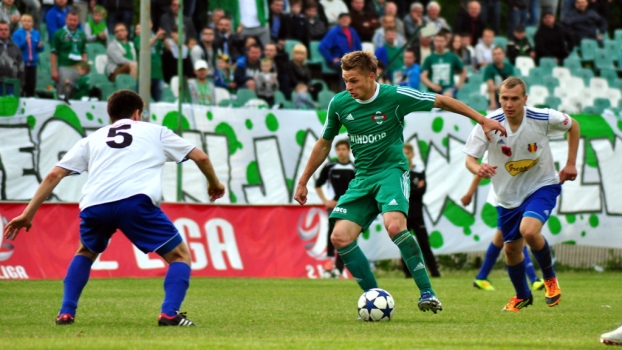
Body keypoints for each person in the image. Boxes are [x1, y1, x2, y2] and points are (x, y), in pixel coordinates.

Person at [294, 50, 506, 315]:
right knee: (339, 236)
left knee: (394, 226)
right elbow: (324, 143)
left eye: (354, 81)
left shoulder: (396, 96)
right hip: (363, 179)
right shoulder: (339, 104)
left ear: (371, 76)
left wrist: (483, 119)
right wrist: (303, 181)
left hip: (391, 172)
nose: (349, 87)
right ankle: (374, 297)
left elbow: (442, 101)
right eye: (345, 81)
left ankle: (427, 292)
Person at [2, 90, 226, 326]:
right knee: (179, 256)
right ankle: (169, 313)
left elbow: (53, 174)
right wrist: (215, 183)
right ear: (138, 113)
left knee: (85, 252)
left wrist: (27, 214)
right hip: (135, 203)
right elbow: (200, 157)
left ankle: (66, 313)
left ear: (111, 116)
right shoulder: (155, 131)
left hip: (95, 205)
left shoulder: (92, 139)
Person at [463, 76, 579, 312]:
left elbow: (573, 125)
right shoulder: (488, 123)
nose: (509, 103)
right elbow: (469, 159)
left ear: (525, 99)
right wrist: (478, 168)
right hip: (507, 196)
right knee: (511, 250)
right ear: (499, 98)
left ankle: (549, 279)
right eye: (504, 98)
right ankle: (522, 295)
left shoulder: (542, 117)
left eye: (515, 99)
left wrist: (570, 164)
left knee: (529, 230)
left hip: (542, 185)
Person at [461, 172, 544, 292]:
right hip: (504, 200)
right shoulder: (495, 152)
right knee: (516, 237)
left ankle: (481, 277)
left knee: (501, 239)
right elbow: (480, 170)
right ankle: (534, 279)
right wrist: (469, 194)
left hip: (517, 198)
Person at [314, 139, 355, 278]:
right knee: (332, 233)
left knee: (345, 236)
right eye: (339, 150)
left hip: (349, 206)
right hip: (334, 206)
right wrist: (325, 200)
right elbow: (318, 184)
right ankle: (329, 262)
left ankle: (339, 268)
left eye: (344, 149)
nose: (341, 152)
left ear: (349, 151)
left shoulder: (355, 168)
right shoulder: (330, 166)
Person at [402, 143, 440, 278]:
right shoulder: (398, 171)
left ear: (412, 155)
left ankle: (435, 273)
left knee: (424, 244)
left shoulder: (419, 171)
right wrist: (414, 188)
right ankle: (408, 274)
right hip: (403, 214)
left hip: (417, 213)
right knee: (405, 244)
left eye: (408, 153)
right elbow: (401, 193)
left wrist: (411, 189)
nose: (406, 156)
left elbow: (421, 191)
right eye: (403, 153)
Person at [50, 10, 86, 98]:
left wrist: (85, 66)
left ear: (78, 21)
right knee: (64, 93)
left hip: (78, 68)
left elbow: (83, 52)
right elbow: (53, 53)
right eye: (70, 20)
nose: (72, 22)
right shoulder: (58, 34)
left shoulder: (82, 35)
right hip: (64, 67)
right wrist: (54, 71)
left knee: (80, 92)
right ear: (66, 20)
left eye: (75, 20)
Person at [420, 33, 466, 98]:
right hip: (433, 90)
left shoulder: (452, 57)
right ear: (434, 42)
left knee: (447, 96)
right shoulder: (429, 58)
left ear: (446, 43)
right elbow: (423, 76)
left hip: (448, 88)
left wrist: (458, 86)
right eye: (437, 41)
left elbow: (463, 71)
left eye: (441, 41)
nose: (439, 44)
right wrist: (432, 86)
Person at [318, 13, 362, 80]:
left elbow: (359, 47)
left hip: (352, 59)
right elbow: (322, 47)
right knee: (347, 67)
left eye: (346, 19)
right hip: (339, 60)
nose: (344, 20)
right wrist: (331, 59)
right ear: (338, 20)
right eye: (342, 19)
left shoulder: (353, 31)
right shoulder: (333, 32)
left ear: (350, 20)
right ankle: (345, 89)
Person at [12, 14, 44, 97]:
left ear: (32, 23)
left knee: (31, 85)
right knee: (22, 85)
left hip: (33, 64)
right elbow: (15, 48)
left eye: (29, 21)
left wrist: (40, 46)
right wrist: (24, 42)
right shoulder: (17, 34)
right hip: (22, 64)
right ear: (21, 23)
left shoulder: (36, 33)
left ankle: (31, 100)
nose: (26, 23)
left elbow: (40, 49)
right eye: (24, 21)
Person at [134, 23, 166, 102]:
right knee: (140, 102)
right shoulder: (137, 39)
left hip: (158, 74)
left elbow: (167, 48)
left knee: (159, 102)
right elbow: (144, 46)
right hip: (144, 74)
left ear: (150, 25)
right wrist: (156, 37)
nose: (137, 31)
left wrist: (163, 38)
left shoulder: (156, 38)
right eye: (136, 29)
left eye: (139, 28)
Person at [0, 20, 23, 95]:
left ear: (9, 31)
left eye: (6, 29)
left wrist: (21, 85)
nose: (3, 32)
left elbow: (21, 67)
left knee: (11, 106)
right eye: (1, 30)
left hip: (12, 83)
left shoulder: (15, 48)